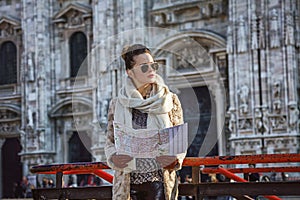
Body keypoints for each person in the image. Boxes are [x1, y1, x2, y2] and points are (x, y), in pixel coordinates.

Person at [105, 44, 186, 200]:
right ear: (130, 72)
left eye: (153, 65)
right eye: (144, 67)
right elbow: (110, 141)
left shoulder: (170, 100)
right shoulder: (117, 104)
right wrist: (114, 157)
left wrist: (174, 159)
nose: (151, 70)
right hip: (127, 184)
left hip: (159, 182)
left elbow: (178, 140)